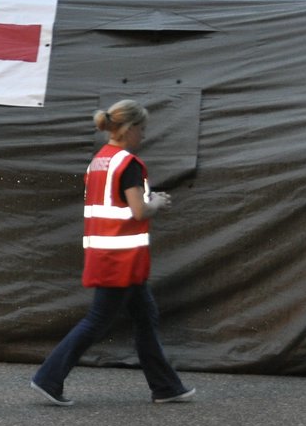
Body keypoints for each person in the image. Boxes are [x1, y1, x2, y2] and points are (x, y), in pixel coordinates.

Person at [30, 99, 195, 407]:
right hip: (121, 259)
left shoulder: (99, 161)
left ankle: (166, 386)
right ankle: (48, 378)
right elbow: (137, 210)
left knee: (146, 317)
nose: (144, 136)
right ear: (130, 129)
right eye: (142, 129)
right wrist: (156, 203)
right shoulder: (129, 164)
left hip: (108, 254)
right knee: (97, 320)